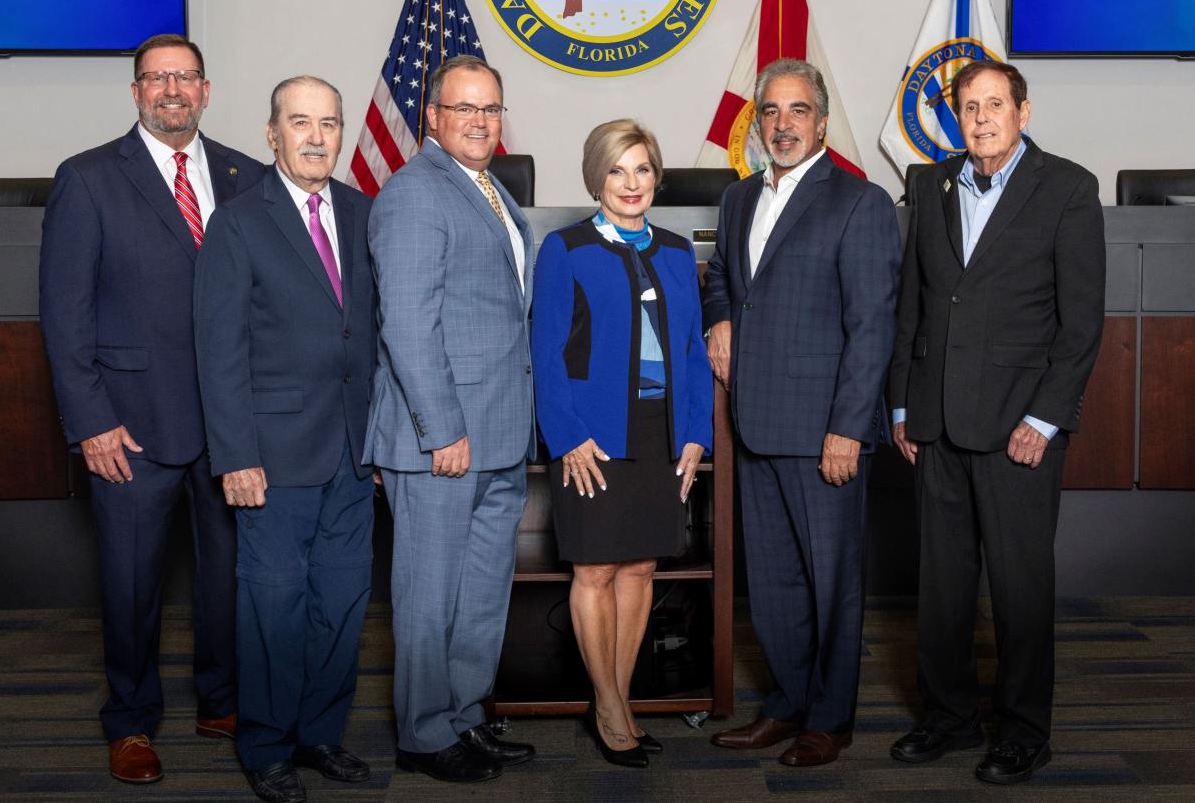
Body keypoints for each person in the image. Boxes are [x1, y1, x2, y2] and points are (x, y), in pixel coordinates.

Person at [39, 34, 263, 784]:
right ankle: (130, 721)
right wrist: (91, 420)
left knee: (229, 578)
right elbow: (64, 315)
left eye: (186, 77)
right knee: (132, 585)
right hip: (129, 425)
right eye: (156, 77)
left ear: (207, 90)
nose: (172, 89)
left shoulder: (249, 178)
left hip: (232, 424)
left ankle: (222, 700)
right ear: (136, 92)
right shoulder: (89, 178)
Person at [888, 60, 1105, 785]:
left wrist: (1044, 420)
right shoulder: (931, 184)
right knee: (944, 587)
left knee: (1018, 590)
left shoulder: (1069, 188)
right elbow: (912, 305)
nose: (981, 119)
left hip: (1019, 427)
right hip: (937, 423)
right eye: (969, 107)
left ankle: (1022, 732)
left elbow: (1079, 325)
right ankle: (948, 719)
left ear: (1023, 111)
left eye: (995, 105)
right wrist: (901, 405)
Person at [702, 58, 900, 767]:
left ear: (820, 121)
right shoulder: (737, 200)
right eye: (771, 112)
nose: (782, 124)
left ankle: (830, 719)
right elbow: (725, 275)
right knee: (775, 581)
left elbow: (872, 326)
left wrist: (848, 427)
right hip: (755, 421)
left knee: (832, 580)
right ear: (758, 122)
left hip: (824, 431)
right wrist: (721, 318)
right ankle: (785, 705)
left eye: (797, 111)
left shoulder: (860, 202)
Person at [193, 76, 378, 803]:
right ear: (272, 134)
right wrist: (235, 455)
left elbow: (374, 335)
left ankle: (319, 735)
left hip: (355, 450)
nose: (316, 136)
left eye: (329, 123)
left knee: (343, 600)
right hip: (270, 454)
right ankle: (265, 745)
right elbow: (219, 350)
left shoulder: (365, 213)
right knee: (274, 605)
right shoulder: (237, 224)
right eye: (300, 122)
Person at [365, 54, 537, 783]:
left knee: (479, 595)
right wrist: (444, 431)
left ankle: (464, 719)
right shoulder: (414, 194)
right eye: (464, 108)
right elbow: (407, 324)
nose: (479, 121)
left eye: (490, 109)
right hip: (441, 439)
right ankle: (424, 735)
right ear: (432, 116)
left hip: (497, 433)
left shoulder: (491, 190)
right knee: (430, 596)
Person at [531, 120, 713, 768]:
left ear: (656, 176)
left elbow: (692, 351)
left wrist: (696, 435)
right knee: (595, 569)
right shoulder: (566, 248)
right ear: (596, 177)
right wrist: (567, 435)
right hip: (592, 436)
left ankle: (622, 698)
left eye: (641, 170)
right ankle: (607, 704)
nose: (631, 183)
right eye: (617, 170)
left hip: (660, 435)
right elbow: (545, 352)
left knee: (640, 568)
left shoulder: (672, 251)